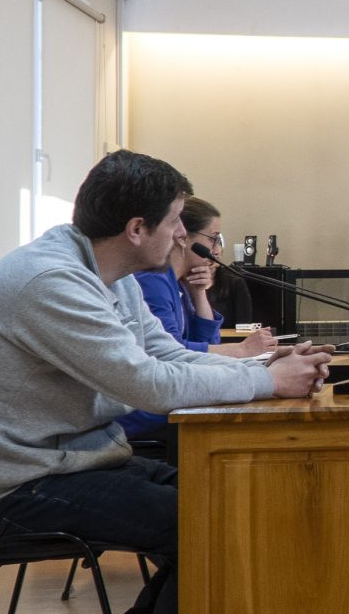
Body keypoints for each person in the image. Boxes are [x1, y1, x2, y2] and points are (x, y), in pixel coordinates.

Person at [0, 150, 332, 614]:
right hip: (13, 488)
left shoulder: (104, 275)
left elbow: (164, 357)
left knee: (228, 499)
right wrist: (267, 383)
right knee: (211, 520)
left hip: (65, 460)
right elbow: (147, 386)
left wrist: (266, 365)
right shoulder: (53, 283)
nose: (182, 236)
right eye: (173, 222)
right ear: (136, 229)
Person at [114, 196, 277, 459]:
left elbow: (205, 339)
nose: (218, 249)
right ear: (183, 237)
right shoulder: (153, 281)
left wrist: (199, 293)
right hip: (146, 413)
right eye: (214, 238)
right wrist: (241, 351)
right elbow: (171, 354)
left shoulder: (178, 283)